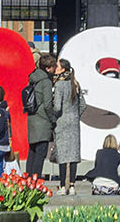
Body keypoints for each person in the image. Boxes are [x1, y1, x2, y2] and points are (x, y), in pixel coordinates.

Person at [51, 58, 85, 195]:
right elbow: (83, 105)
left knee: (63, 156)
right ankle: (72, 186)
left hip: (62, 122)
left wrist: (53, 114)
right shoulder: (75, 84)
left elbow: (57, 107)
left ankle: (62, 185)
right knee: (73, 155)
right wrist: (75, 115)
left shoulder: (59, 85)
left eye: (57, 66)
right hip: (74, 123)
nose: (55, 68)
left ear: (63, 69)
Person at [20, 57, 54, 178]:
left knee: (32, 153)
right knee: (40, 154)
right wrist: (53, 120)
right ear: (48, 68)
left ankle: (28, 181)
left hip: (32, 119)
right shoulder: (46, 82)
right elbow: (48, 104)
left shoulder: (33, 78)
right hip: (43, 121)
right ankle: (35, 181)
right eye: (53, 67)